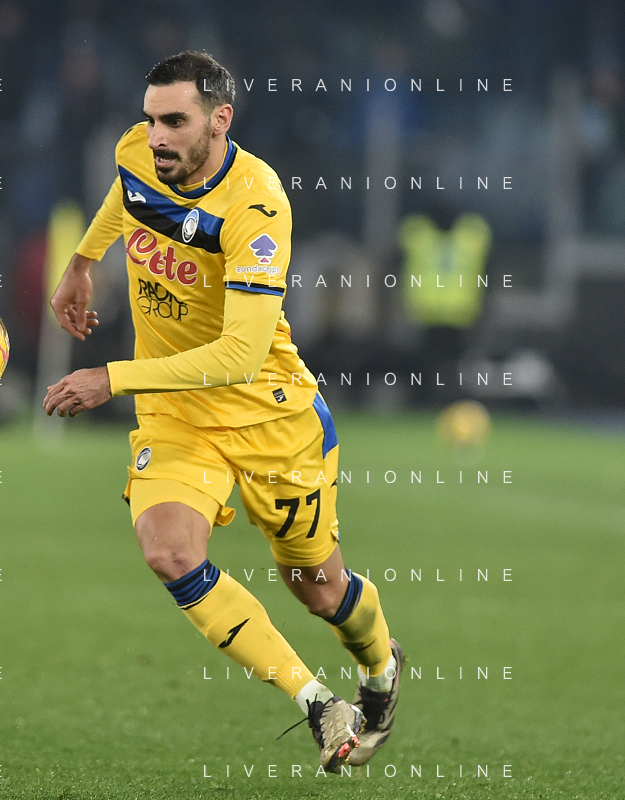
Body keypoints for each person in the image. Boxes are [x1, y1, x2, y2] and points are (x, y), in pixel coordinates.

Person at [42, 51, 402, 771]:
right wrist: (83, 261)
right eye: (150, 119)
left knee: (318, 588)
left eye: (175, 121)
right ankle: (316, 703)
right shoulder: (138, 153)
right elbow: (126, 194)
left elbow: (239, 356)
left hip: (268, 416)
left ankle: (381, 669)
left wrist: (112, 379)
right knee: (170, 551)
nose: (157, 137)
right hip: (176, 416)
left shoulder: (255, 206)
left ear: (219, 120)